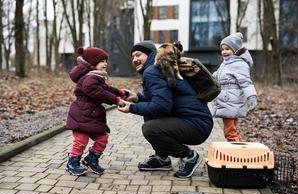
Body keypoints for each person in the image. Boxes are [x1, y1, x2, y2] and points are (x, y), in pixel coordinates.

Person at [118, 41, 213, 178]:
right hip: (199, 122)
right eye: (132, 57)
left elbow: (162, 106)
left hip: (196, 124)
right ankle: (162, 159)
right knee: (150, 115)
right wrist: (137, 98)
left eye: (138, 55)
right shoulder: (159, 68)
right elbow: (162, 102)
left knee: (150, 128)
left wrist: (132, 108)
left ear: (150, 54)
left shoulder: (152, 71)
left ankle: (189, 157)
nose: (135, 59)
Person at [65, 47, 126, 176]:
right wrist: (115, 100)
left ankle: (91, 159)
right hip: (81, 115)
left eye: (106, 61)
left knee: (102, 138)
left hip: (92, 115)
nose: (105, 64)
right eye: (101, 61)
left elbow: (105, 89)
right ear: (92, 63)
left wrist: (119, 92)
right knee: (81, 141)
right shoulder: (89, 79)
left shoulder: (96, 77)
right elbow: (98, 92)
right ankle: (72, 163)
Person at [213, 32, 257, 142]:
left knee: (230, 132)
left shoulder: (238, 64)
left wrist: (251, 96)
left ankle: (237, 154)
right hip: (228, 102)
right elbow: (216, 76)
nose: (224, 52)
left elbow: (246, 82)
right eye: (222, 49)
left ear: (235, 50)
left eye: (227, 49)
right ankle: (239, 149)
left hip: (231, 102)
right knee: (232, 130)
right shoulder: (226, 63)